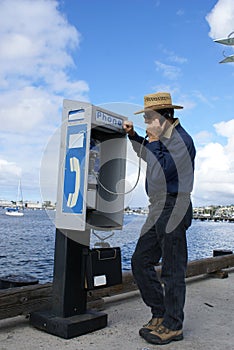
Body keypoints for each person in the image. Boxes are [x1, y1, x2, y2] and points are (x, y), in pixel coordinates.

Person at [123, 91, 196, 345]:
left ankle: (174, 325)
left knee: (173, 270)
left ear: (163, 117)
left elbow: (160, 174)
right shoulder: (162, 138)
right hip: (158, 208)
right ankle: (161, 313)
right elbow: (149, 156)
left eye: (147, 118)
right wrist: (134, 137)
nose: (145, 122)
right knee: (140, 261)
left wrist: (152, 141)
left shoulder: (181, 141)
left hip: (174, 206)